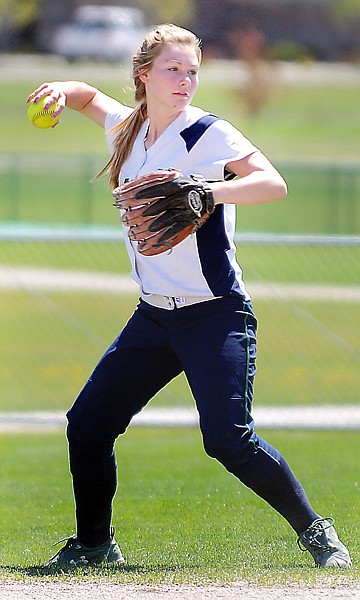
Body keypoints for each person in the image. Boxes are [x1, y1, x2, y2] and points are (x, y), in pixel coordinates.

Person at [27, 24, 351, 569]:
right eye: (172, 69)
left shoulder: (207, 134)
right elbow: (86, 98)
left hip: (215, 314)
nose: (184, 80)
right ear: (144, 75)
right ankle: (94, 545)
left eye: (192, 71)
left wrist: (211, 190)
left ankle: (316, 531)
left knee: (228, 440)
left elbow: (273, 183)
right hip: (155, 317)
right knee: (87, 423)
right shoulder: (129, 130)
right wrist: (61, 88)